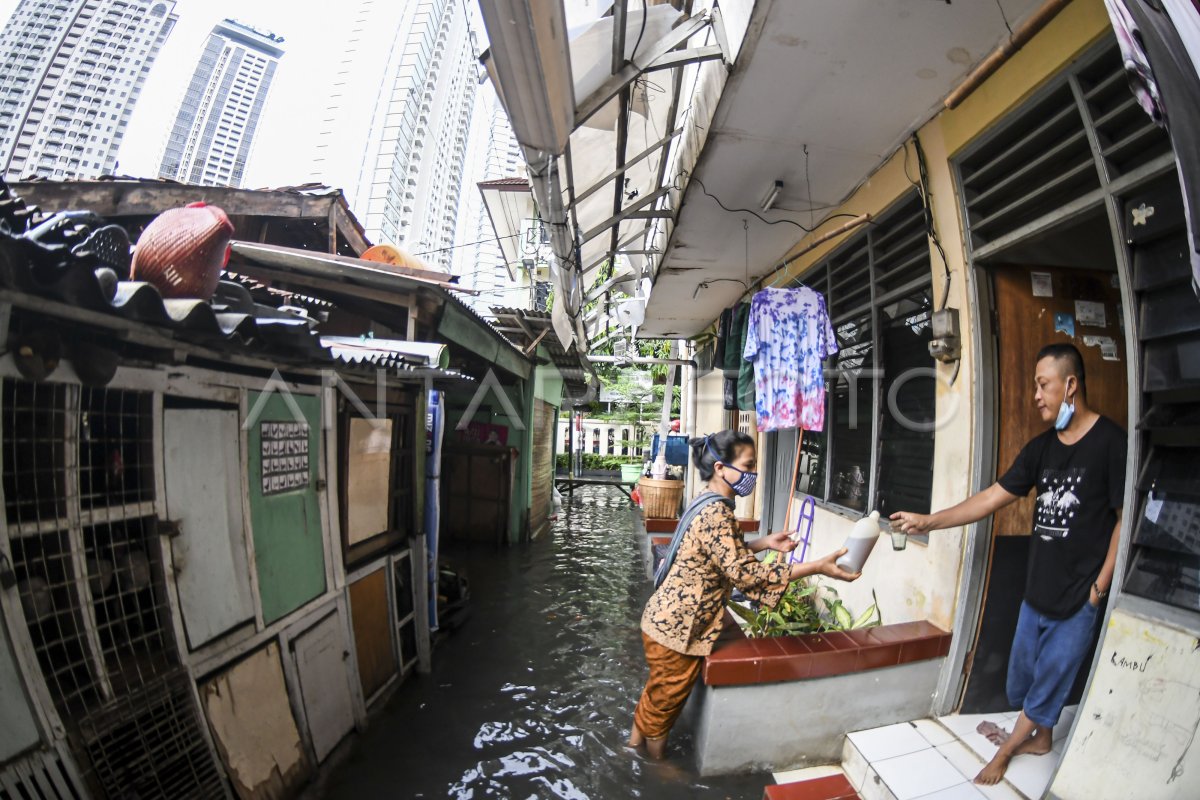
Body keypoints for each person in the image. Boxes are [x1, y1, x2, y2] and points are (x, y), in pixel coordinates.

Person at [891, 343, 1126, 786]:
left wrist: (1099, 588)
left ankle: (1008, 749)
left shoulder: (1111, 443)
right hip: (1037, 590)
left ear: (1070, 385)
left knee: (1052, 678)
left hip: (1080, 596)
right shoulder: (1040, 449)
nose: (1036, 395)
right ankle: (1041, 737)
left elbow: (1122, 519)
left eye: (1043, 384)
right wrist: (930, 521)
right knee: (1023, 681)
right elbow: (991, 498)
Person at [628, 429, 861, 759]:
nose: (754, 474)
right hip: (677, 631)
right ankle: (654, 763)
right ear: (721, 468)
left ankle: (632, 746)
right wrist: (817, 566)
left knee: (657, 693)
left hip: (664, 620)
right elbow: (745, 574)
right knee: (666, 701)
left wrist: (763, 543)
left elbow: (720, 553)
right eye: (749, 466)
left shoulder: (706, 501)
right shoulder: (718, 513)